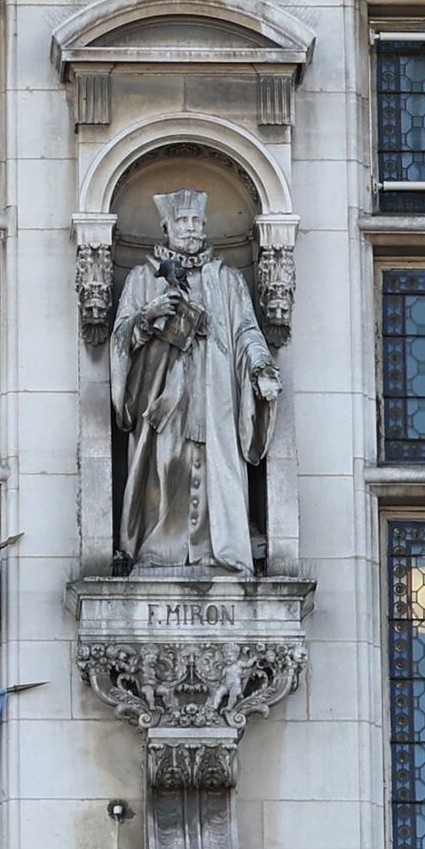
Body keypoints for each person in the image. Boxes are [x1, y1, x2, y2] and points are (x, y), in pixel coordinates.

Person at [108, 190, 277, 573]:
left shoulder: (228, 280)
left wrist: (261, 366)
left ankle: (219, 549)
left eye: (196, 222)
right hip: (164, 394)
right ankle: (158, 550)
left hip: (216, 392)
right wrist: (148, 317)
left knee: (216, 466)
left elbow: (246, 332)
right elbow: (119, 339)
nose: (190, 229)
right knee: (166, 466)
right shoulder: (142, 278)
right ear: (166, 227)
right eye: (182, 222)